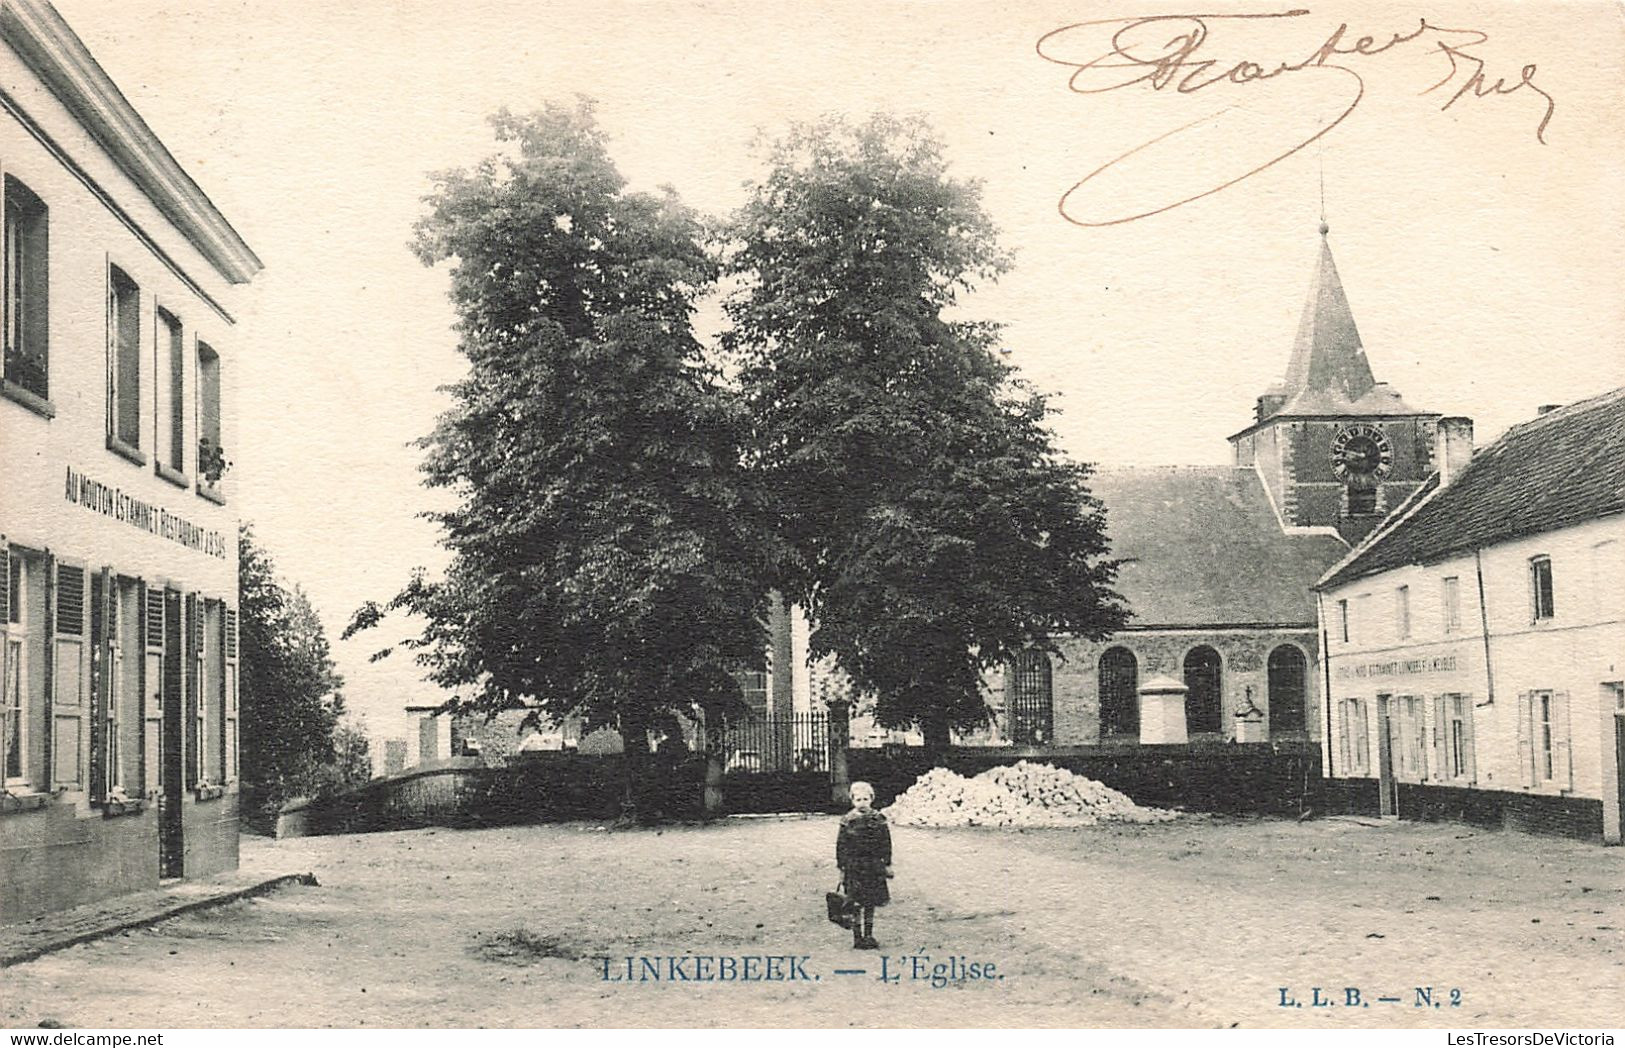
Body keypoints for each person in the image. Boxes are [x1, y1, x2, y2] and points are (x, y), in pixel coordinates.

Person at [835, 781, 892, 950]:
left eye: (865, 799)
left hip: (873, 866)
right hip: (854, 867)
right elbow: (841, 846)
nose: (862, 803)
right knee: (855, 903)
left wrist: (887, 863)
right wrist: (841, 867)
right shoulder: (847, 821)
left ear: (872, 799)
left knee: (870, 902)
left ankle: (869, 935)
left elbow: (886, 843)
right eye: (858, 799)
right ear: (852, 800)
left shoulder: (879, 819)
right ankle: (857, 937)